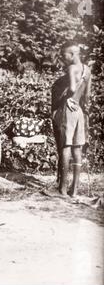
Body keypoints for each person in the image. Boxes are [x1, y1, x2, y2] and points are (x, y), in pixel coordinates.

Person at [52, 42, 91, 200]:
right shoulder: (87, 70)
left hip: (68, 111)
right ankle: (74, 190)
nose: (63, 58)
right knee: (77, 149)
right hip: (79, 111)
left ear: (73, 54)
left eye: (64, 55)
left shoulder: (71, 68)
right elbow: (87, 96)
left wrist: (66, 97)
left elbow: (73, 88)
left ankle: (62, 188)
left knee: (65, 147)